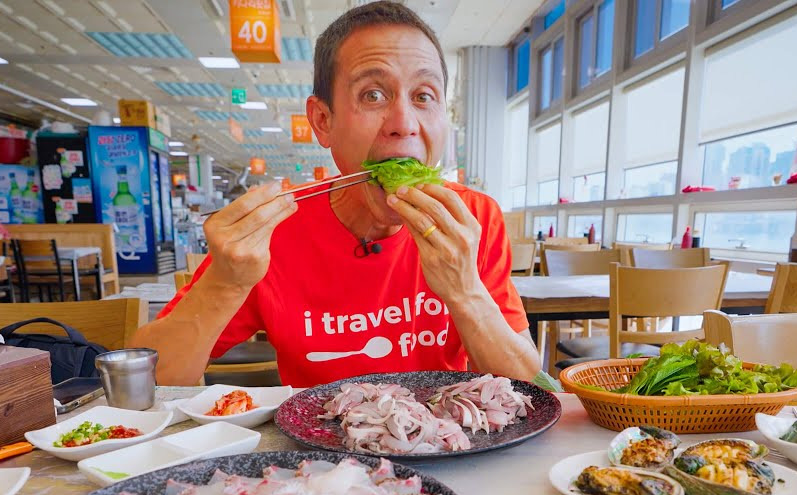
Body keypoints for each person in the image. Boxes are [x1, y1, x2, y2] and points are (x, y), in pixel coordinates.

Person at [135, 1, 538, 387]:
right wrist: (223, 284)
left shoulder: (473, 217)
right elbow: (151, 379)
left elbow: (525, 385)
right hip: (319, 450)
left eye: (423, 96)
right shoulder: (277, 229)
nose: (404, 123)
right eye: (373, 95)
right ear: (322, 121)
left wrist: (464, 291)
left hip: (447, 443)